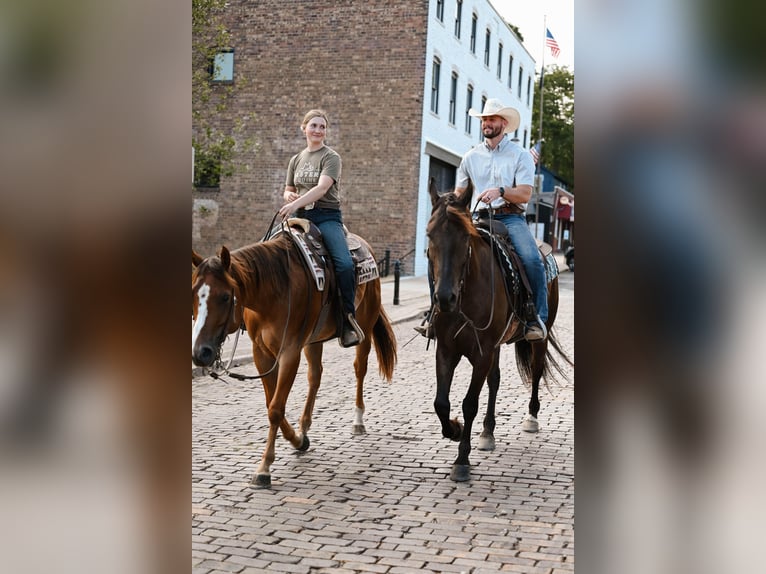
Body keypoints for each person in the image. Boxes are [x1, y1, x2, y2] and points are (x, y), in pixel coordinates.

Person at [418, 98, 548, 341]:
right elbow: (459, 194)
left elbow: (525, 193)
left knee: (532, 259)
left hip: (510, 218)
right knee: (439, 253)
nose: (487, 123)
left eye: (492, 119)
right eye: (484, 119)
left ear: (504, 123)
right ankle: (435, 313)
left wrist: (500, 191)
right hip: (477, 218)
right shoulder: (470, 157)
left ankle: (535, 318)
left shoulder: (520, 156)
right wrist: (446, 207)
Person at [278, 109, 364, 348]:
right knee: (268, 254)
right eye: (313, 125)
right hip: (299, 215)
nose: (317, 130)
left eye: (322, 127)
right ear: (303, 128)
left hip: (326, 217)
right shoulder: (296, 159)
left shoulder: (331, 157)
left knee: (344, 263)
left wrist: (295, 202)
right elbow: (287, 188)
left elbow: (322, 189)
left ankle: (347, 320)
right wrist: (289, 196)